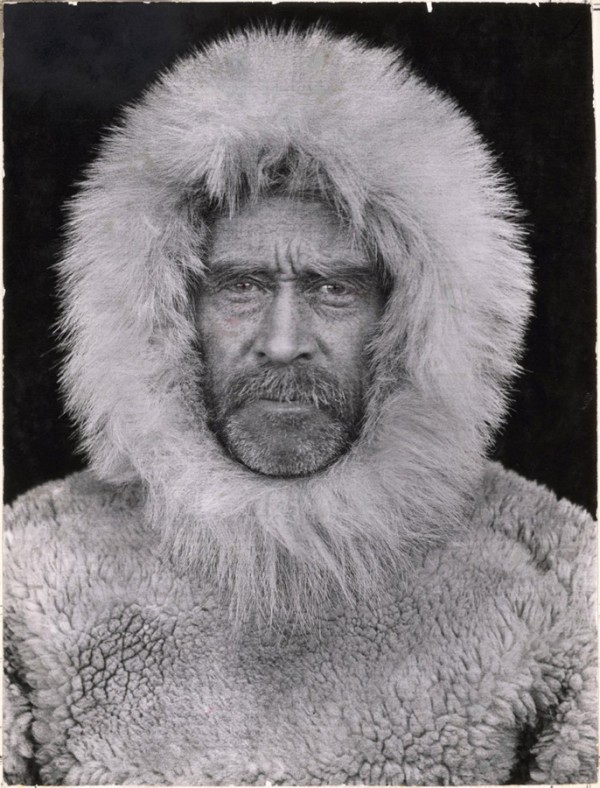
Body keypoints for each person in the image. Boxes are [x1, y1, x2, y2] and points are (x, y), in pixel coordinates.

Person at [4, 27, 596, 786]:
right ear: (167, 312)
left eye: (334, 288)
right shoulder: (28, 579)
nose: (283, 343)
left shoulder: (557, 582)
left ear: (409, 318)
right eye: (241, 287)